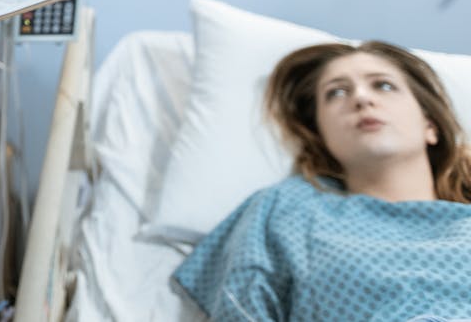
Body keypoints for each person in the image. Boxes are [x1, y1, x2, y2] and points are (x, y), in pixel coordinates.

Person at [173, 41, 471, 321]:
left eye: (383, 85)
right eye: (336, 93)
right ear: (322, 135)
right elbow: (241, 307)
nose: (362, 98)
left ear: (430, 126)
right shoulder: (289, 209)